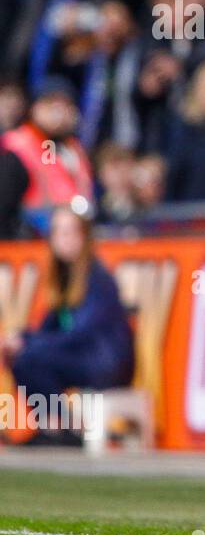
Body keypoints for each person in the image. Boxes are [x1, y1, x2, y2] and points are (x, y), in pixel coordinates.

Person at [1, 206, 134, 444]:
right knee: (22, 357)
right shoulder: (64, 278)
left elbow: (81, 334)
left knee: (30, 356)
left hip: (104, 362)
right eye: (59, 233)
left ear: (84, 236)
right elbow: (49, 329)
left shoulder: (97, 279)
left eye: (71, 232)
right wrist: (19, 339)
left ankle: (65, 427)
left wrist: (28, 343)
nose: (65, 239)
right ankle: (52, 426)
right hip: (83, 356)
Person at [0, 77, 95, 235]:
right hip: (28, 246)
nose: (60, 113)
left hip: (71, 242)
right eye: (52, 104)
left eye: (67, 105)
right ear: (35, 108)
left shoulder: (73, 148)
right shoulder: (19, 146)